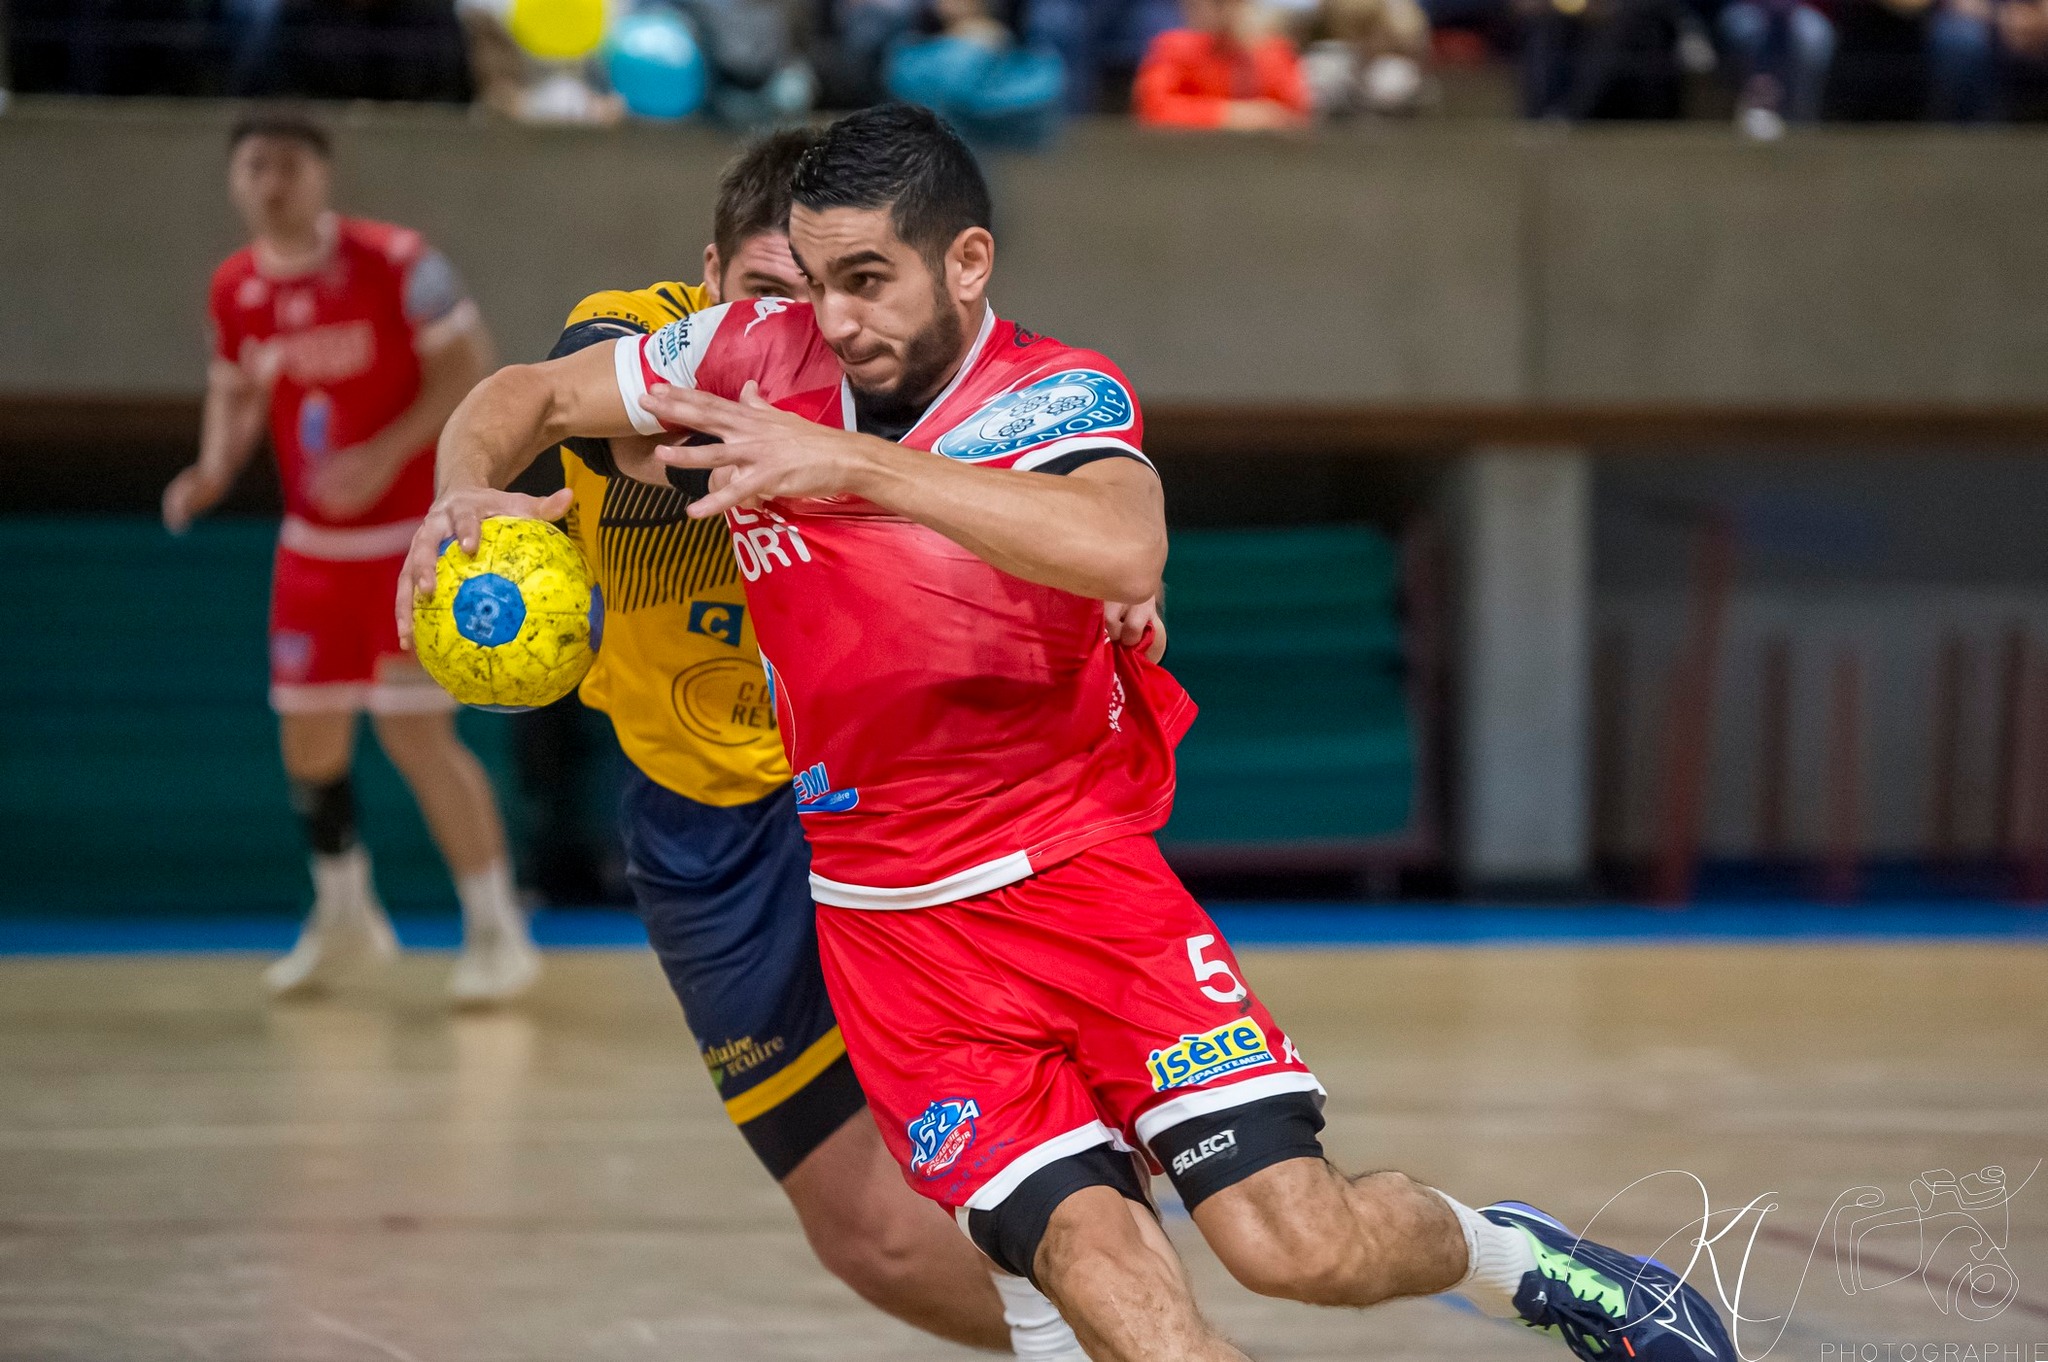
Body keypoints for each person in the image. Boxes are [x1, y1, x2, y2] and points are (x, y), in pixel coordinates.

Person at [401, 104, 1735, 1362]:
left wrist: (856, 469)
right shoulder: (750, 355)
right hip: (897, 935)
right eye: (811, 284)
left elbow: (1119, 538)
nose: (832, 321)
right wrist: (460, 497)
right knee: (1121, 1306)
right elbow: (526, 395)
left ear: (966, 262)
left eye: (867, 281)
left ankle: (1526, 1261)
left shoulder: (1055, 394)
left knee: (1294, 1241)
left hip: (1078, 887)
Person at [419, 129, 1096, 1361]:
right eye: (767, 298)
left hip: (898, 803)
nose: (801, 338)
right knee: (870, 1239)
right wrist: (464, 488)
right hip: (708, 836)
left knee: (1074, 1153)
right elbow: (534, 400)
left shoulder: (905, 378)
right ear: (705, 280)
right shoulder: (636, 340)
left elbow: (1052, 507)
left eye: (835, 300)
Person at [165, 112, 537, 1004]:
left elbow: (472, 368)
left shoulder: (399, 262)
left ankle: (496, 930)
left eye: (289, 164)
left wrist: (384, 454)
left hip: (408, 543)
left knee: (416, 734)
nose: (273, 182)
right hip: (313, 552)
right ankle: (345, 918)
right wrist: (214, 468)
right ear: (235, 181)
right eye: (255, 165)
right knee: (309, 738)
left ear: (323, 175)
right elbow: (234, 389)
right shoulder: (237, 288)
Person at [1134, 0, 1315, 126]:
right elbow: (1154, 110)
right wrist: (1231, 115)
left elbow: (1295, 118)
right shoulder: (1173, 47)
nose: (1221, 10)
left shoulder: (1272, 53)